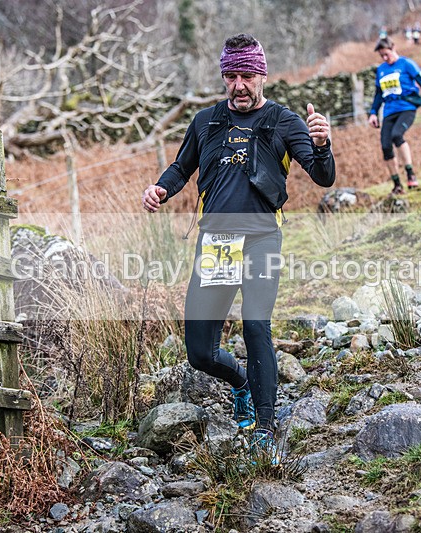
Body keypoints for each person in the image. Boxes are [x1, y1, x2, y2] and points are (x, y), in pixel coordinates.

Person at [141, 34, 335, 462]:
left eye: (247, 75)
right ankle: (242, 385)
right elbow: (181, 167)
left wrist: (322, 145)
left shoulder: (284, 121)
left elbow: (322, 177)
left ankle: (265, 426)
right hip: (218, 243)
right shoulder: (206, 122)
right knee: (200, 352)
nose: (239, 85)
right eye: (231, 76)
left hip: (263, 238)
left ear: (262, 75)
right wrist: (161, 189)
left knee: (255, 324)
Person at [368, 37, 421, 194]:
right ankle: (397, 185)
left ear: (393, 48)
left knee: (397, 135)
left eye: (386, 54)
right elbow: (378, 95)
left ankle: (410, 173)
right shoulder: (381, 70)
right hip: (389, 111)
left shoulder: (407, 64)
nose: (385, 58)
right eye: (382, 56)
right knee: (386, 146)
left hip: (407, 108)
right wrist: (373, 113)